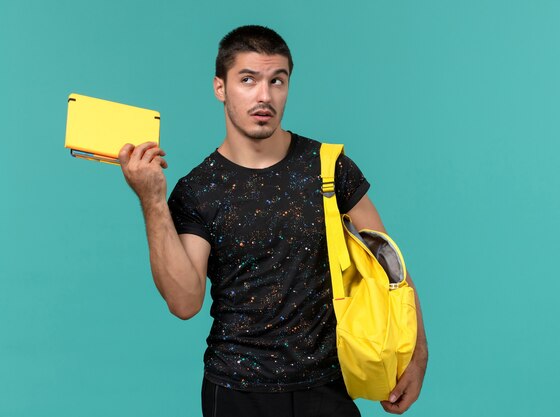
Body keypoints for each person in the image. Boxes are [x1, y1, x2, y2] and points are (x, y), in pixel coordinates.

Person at [118, 25, 428, 417]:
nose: (264, 95)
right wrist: (152, 199)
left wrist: (417, 353)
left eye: (276, 81)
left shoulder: (330, 168)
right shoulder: (198, 189)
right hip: (235, 391)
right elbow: (184, 301)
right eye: (248, 80)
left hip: (327, 388)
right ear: (220, 88)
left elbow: (390, 268)